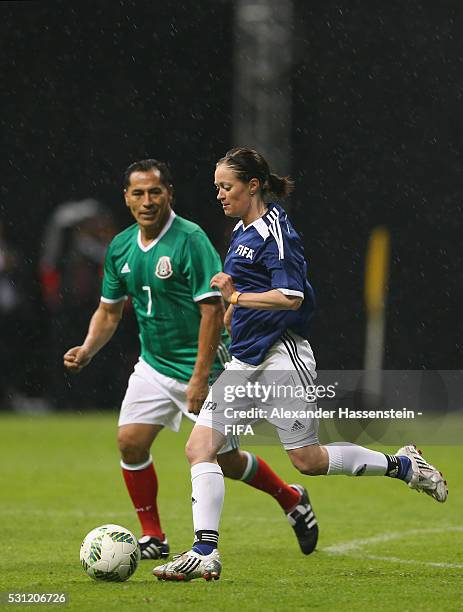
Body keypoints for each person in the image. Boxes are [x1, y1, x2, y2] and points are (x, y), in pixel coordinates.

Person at [153, 147, 448, 582]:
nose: (219, 194)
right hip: (245, 359)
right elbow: (253, 288)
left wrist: (235, 298)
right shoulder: (241, 230)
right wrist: (237, 310)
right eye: (217, 187)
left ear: (253, 185)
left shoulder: (277, 232)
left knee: (306, 460)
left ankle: (403, 465)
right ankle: (205, 553)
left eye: (226, 186)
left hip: (280, 356)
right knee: (200, 448)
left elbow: (292, 297)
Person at [64, 158, 319, 560]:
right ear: (126, 198)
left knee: (227, 461)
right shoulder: (121, 247)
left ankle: (289, 497)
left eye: (155, 192)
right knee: (130, 443)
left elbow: (212, 311)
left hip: (204, 365)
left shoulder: (191, 240)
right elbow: (110, 311)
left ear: (169, 195)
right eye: (138, 193)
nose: (147, 201)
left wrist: (200, 379)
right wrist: (87, 348)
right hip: (153, 364)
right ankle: (153, 536)